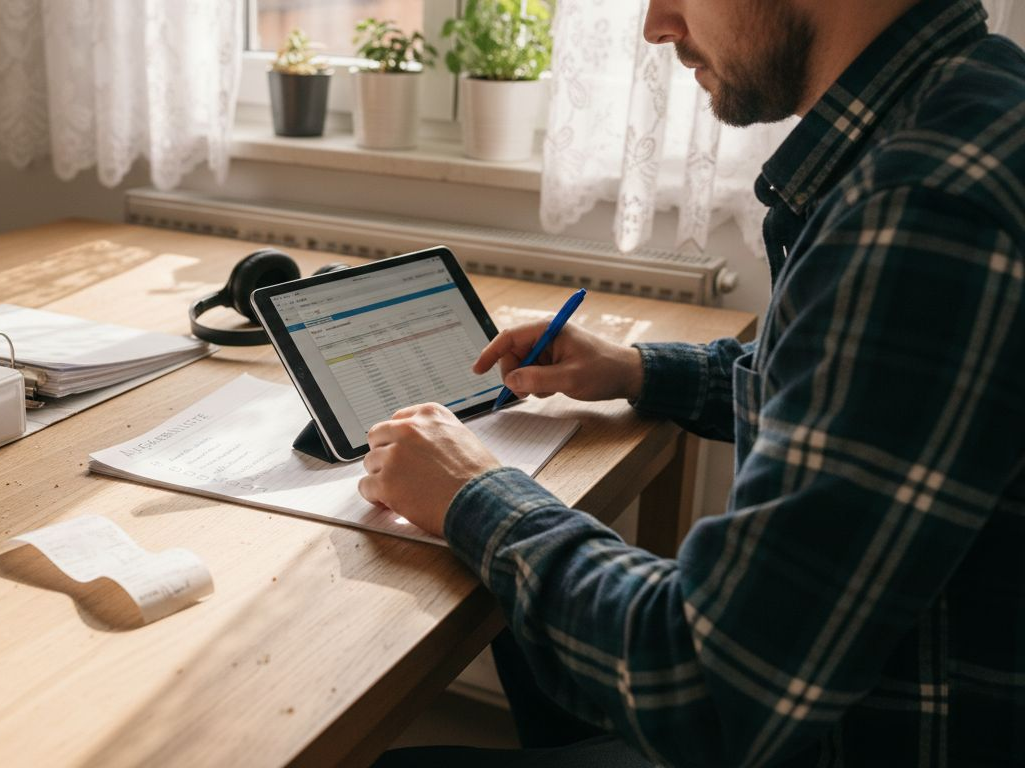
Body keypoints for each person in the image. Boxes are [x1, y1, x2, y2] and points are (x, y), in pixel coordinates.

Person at [361, 0, 1025, 765]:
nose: (657, 23)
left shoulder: (923, 213)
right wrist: (638, 369)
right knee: (517, 616)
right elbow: (848, 410)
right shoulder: (970, 105)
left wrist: (471, 491)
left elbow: (709, 679)